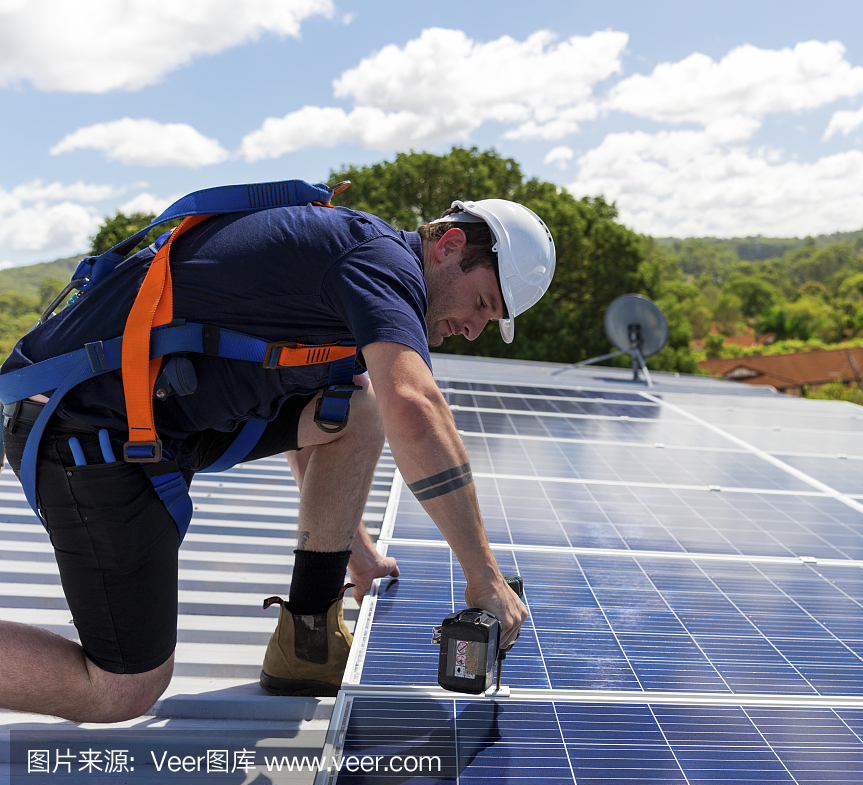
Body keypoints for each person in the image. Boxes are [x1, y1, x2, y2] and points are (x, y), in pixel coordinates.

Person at [0, 194, 554, 722]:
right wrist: (483, 576)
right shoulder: (380, 264)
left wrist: (354, 552)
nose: (473, 329)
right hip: (83, 430)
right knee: (122, 687)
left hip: (160, 423)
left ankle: (305, 638)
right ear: (449, 245)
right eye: (482, 303)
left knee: (354, 405)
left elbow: (323, 403)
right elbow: (414, 404)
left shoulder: (360, 267)